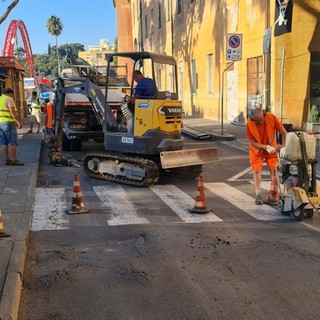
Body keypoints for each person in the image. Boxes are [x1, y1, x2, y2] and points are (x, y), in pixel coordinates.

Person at [246, 107, 287, 205]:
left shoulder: (271, 117)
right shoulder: (249, 124)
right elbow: (253, 142)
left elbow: (284, 133)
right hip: (257, 151)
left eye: (262, 120)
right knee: (256, 171)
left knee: (274, 171)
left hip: (272, 150)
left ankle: (273, 195)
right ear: (253, 119)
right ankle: (258, 195)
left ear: (264, 115)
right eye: (258, 121)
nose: (261, 122)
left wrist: (284, 147)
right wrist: (265, 147)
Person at [0, 87, 24, 166]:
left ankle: (7, 160)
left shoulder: (0, 98)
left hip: (1, 123)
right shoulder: (9, 99)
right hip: (9, 123)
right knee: (12, 142)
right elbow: (12, 111)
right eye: (12, 94)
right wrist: (18, 121)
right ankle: (14, 160)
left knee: (4, 143)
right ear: (10, 93)